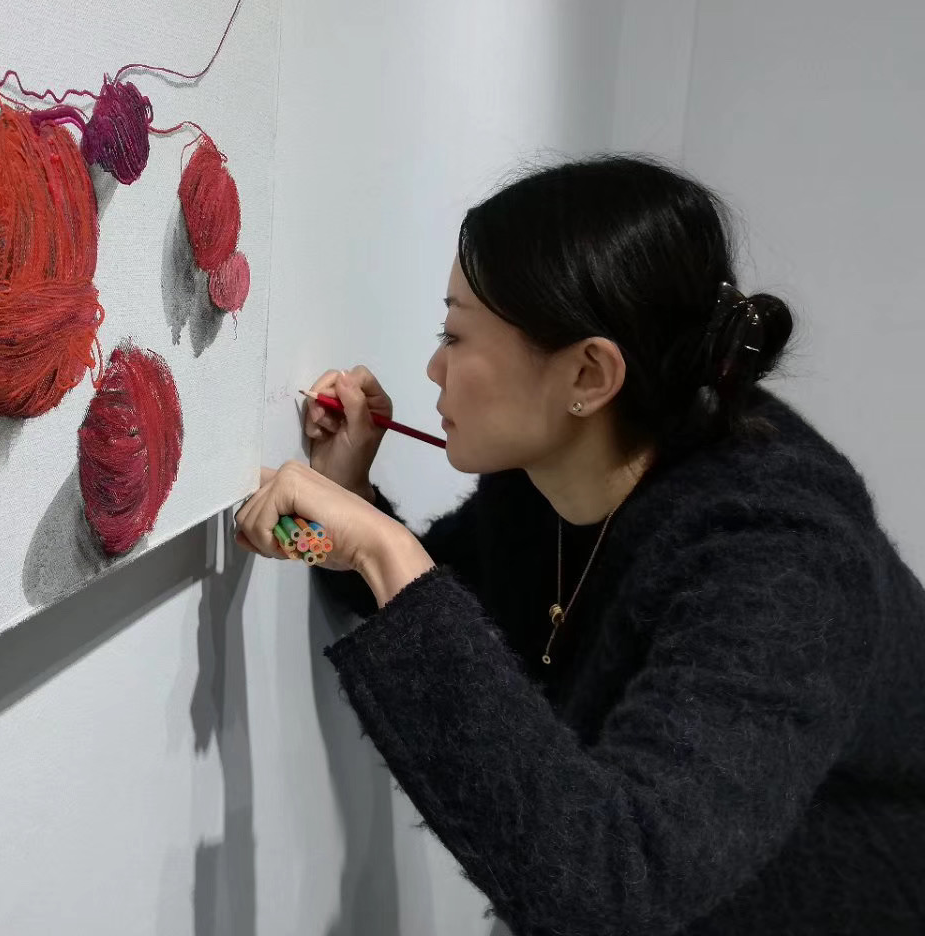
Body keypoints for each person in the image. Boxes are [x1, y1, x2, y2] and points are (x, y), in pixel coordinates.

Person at [233, 156, 925, 934]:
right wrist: (355, 506)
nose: (432, 366)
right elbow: (450, 611)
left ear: (589, 375)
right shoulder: (569, 465)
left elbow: (615, 889)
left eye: (454, 332)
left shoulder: (783, 563)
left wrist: (385, 550)